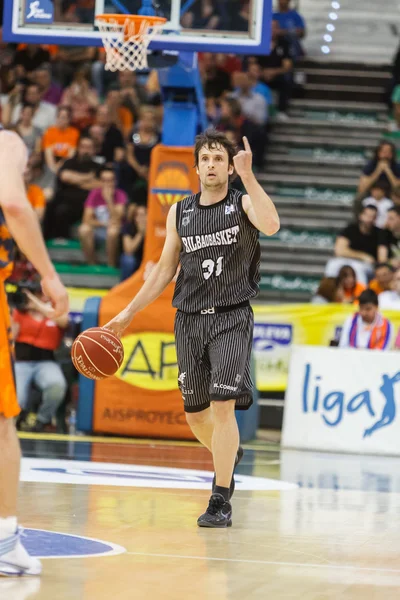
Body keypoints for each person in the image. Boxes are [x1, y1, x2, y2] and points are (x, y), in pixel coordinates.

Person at [104, 129, 280, 528]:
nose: (212, 165)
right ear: (197, 166)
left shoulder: (243, 202)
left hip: (232, 315)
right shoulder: (180, 212)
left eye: (220, 158)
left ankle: (220, 497)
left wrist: (249, 176)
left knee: (222, 405)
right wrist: (127, 314)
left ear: (230, 166)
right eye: (206, 159)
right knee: (196, 415)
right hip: (188, 318)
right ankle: (226, 454)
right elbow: (165, 269)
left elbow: (271, 225)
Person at [0, 127, 68, 575]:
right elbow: (13, 203)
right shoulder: (7, 140)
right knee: (4, 426)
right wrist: (50, 274)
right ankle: (5, 541)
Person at [11, 286, 68, 433]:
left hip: (46, 361)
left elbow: (64, 322)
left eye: (38, 294)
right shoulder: (20, 313)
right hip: (21, 362)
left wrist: (38, 306)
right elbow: (11, 337)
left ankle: (42, 419)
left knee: (57, 385)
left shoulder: (56, 311)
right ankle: (19, 417)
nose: (34, 298)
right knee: (17, 396)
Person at [43, 136, 101, 240]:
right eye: (83, 147)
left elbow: (99, 184)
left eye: (89, 147)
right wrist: (88, 177)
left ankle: (61, 239)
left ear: (94, 150)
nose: (86, 150)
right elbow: (65, 176)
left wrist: (75, 180)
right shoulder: (69, 162)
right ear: (78, 148)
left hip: (85, 203)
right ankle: (44, 240)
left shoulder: (98, 166)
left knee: (63, 210)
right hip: (63, 199)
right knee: (49, 206)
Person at [78, 167, 127, 267]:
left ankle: (111, 265)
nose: (107, 184)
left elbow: (118, 219)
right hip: (99, 229)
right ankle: (92, 264)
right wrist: (104, 224)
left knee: (112, 231)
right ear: (100, 181)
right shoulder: (94, 194)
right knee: (83, 229)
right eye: (104, 180)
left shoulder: (120, 195)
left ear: (115, 181)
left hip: (115, 231)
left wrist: (109, 200)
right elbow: (86, 219)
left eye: (110, 180)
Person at [326, 205, 380, 284]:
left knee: (358, 268)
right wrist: (362, 256)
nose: (369, 219)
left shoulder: (379, 233)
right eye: (367, 215)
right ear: (361, 215)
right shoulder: (350, 229)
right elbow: (339, 251)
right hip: (350, 260)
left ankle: (360, 294)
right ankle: (327, 292)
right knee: (332, 264)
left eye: (373, 217)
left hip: (366, 265)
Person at [256, 18, 294, 120]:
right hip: (260, 73)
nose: (272, 30)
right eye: (270, 28)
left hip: (277, 74)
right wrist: (263, 72)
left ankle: (282, 110)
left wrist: (273, 72)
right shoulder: (259, 42)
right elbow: (252, 62)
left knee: (287, 79)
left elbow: (287, 65)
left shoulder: (284, 43)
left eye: (274, 27)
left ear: (278, 29)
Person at [42, 106, 80, 175]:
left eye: (63, 117)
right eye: (58, 117)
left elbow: (71, 154)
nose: (60, 120)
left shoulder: (74, 132)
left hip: (66, 162)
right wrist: (52, 168)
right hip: (52, 160)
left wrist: (58, 167)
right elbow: (48, 152)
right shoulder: (50, 131)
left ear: (69, 119)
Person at [120, 205, 147, 280]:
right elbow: (128, 250)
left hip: (149, 259)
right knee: (128, 260)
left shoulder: (154, 228)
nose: (141, 218)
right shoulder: (129, 227)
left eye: (143, 215)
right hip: (134, 258)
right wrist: (140, 233)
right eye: (138, 215)